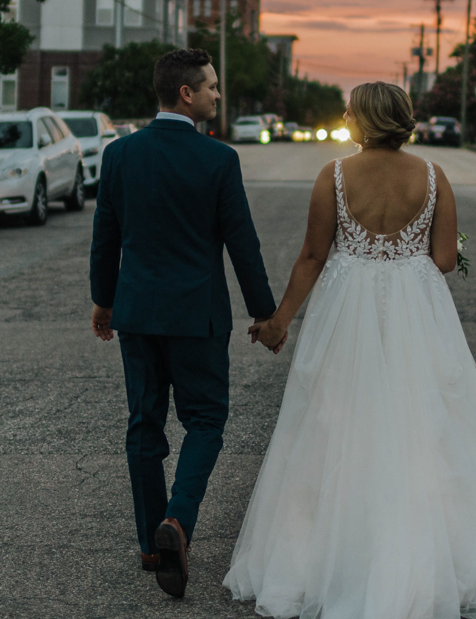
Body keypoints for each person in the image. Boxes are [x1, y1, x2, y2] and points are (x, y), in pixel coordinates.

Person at [225, 81, 476, 619]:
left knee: (339, 423)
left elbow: (311, 256)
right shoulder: (434, 177)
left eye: (350, 110)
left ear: (364, 121)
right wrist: (409, 252)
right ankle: (429, 557)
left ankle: (334, 557)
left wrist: (279, 322)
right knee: (428, 425)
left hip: (347, 312)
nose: (345, 116)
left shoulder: (335, 176)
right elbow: (443, 258)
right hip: (418, 314)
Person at [90, 47, 278, 599]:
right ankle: (178, 521)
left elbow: (106, 236)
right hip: (197, 315)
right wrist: (264, 313)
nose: (219, 94)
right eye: (212, 86)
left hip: (139, 313)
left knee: (144, 424)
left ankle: (152, 545)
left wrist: (104, 301)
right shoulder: (218, 160)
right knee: (205, 422)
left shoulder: (120, 155)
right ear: (186, 94)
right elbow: (242, 243)